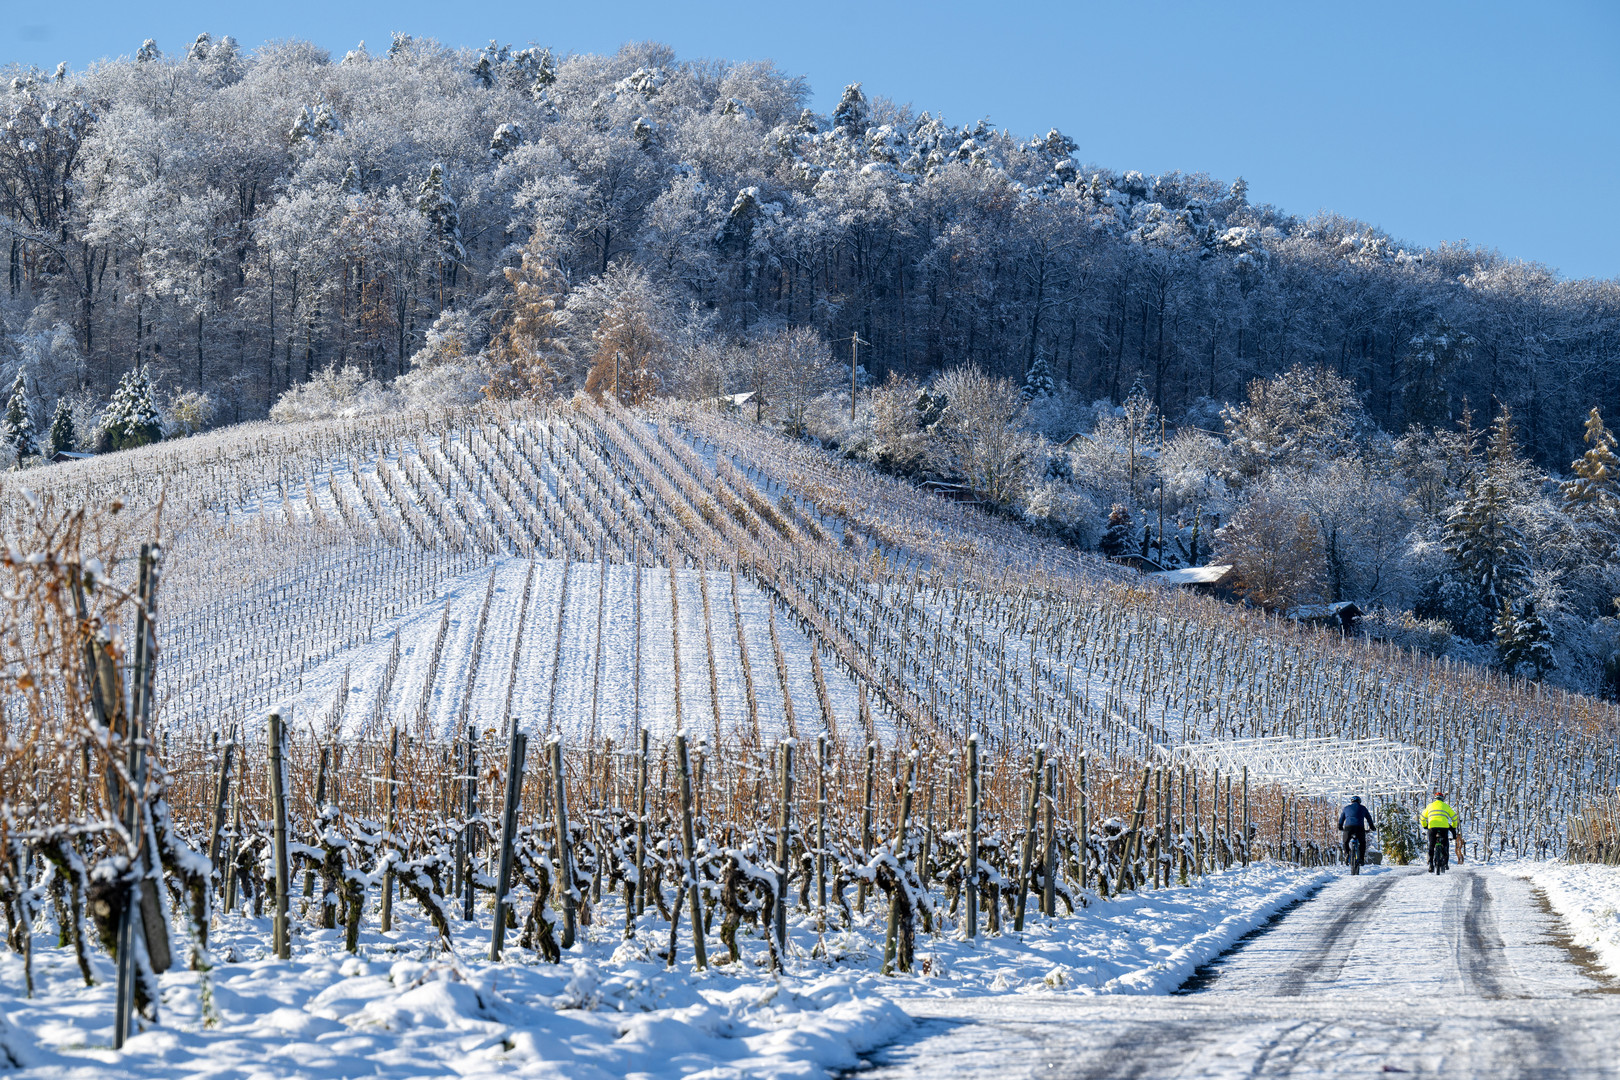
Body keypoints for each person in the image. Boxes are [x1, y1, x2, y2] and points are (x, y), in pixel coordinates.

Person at [1420, 790, 1460, 873]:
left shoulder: (1430, 806)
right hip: (1444, 827)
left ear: (1435, 799)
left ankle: (1431, 865)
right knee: (1445, 845)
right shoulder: (1446, 806)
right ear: (1442, 799)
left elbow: (1422, 817)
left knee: (1431, 845)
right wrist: (1453, 826)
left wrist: (1424, 825)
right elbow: (1454, 817)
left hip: (1432, 827)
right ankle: (1445, 863)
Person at [1337, 796, 1376, 867]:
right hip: (1359, 828)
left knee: (1345, 842)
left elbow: (1341, 819)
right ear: (1359, 801)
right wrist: (1372, 826)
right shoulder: (1363, 808)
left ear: (1351, 802)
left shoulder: (1346, 808)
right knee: (1362, 843)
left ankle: (1347, 854)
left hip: (1348, 828)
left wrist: (1340, 826)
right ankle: (1361, 859)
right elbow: (1369, 818)